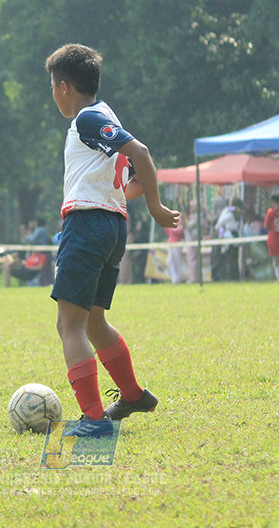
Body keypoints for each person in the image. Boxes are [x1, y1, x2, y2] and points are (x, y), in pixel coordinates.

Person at [45, 44, 179, 436]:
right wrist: (139, 197)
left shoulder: (87, 119)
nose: (53, 95)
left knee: (69, 325)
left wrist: (155, 206)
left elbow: (141, 152)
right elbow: (126, 182)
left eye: (53, 87)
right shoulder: (106, 116)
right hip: (112, 225)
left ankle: (93, 421)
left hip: (87, 225)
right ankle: (134, 394)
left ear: (64, 87)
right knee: (94, 323)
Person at [213, 197, 243, 281]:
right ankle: (235, 277)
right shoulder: (239, 215)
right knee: (234, 259)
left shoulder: (229, 214)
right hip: (236, 237)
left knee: (230, 259)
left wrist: (219, 233)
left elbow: (219, 224)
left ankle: (232, 277)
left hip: (229, 238)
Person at [164, 214, 185, 284]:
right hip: (171, 243)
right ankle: (175, 277)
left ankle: (178, 278)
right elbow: (167, 231)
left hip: (177, 244)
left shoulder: (181, 225)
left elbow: (179, 232)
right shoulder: (171, 224)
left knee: (177, 261)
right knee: (169, 261)